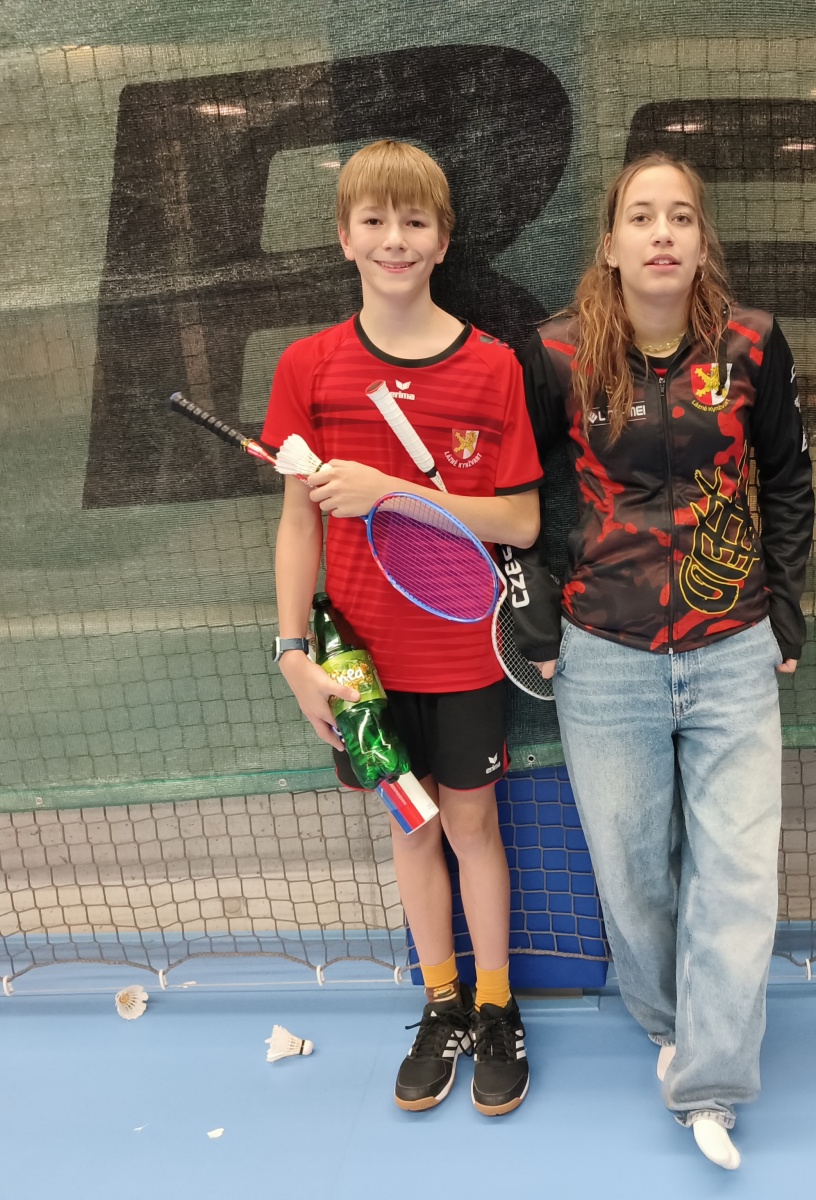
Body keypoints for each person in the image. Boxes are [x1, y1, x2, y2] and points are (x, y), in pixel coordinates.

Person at [514, 152, 814, 1169]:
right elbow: (522, 499)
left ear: (699, 240)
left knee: (739, 873)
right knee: (634, 873)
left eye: (681, 216)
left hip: (731, 648)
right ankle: (667, 1025)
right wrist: (540, 620)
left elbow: (788, 479)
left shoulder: (751, 345)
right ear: (610, 243)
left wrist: (783, 613)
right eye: (642, 216)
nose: (662, 233)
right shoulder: (556, 354)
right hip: (605, 655)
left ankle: (710, 1082)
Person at [264, 139, 542, 1116]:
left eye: (414, 221)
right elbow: (298, 522)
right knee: (412, 830)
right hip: (360, 671)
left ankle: (497, 1006)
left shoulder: (492, 366)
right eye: (374, 221)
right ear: (344, 238)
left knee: (471, 825)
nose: (394, 238)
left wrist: (394, 492)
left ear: (443, 241)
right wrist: (293, 655)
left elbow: (521, 521)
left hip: (465, 656)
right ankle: (442, 1004)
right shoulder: (308, 368)